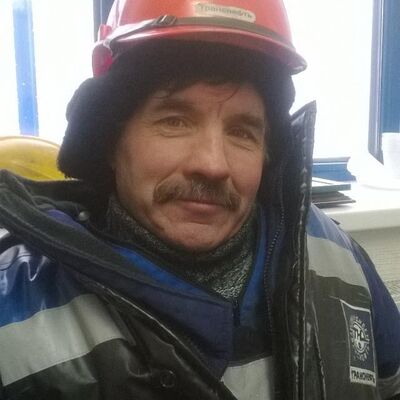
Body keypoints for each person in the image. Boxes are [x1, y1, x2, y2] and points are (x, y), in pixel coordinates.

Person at [0, 0, 399, 399]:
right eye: (174, 121)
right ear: (110, 142)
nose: (212, 164)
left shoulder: (337, 257)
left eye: (242, 132)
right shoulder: (14, 311)